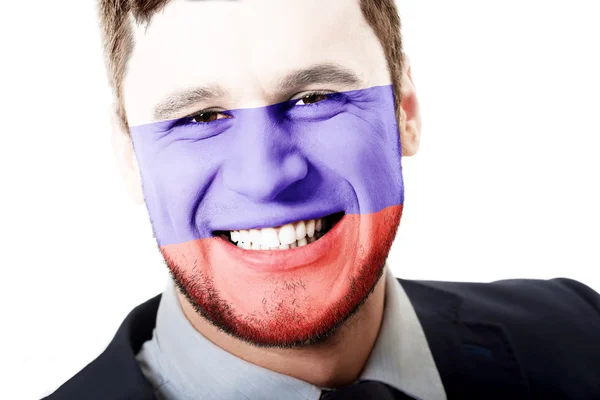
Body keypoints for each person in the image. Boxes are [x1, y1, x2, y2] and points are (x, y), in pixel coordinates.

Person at [44, 0, 600, 399]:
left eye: (314, 98)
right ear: (130, 158)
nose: (264, 178)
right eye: (199, 117)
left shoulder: (581, 335)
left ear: (404, 111)